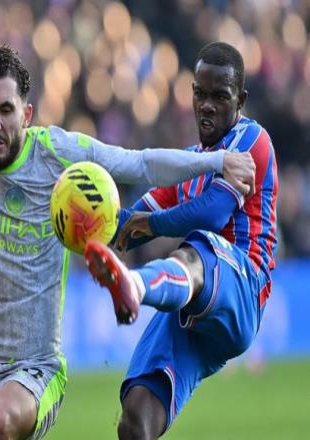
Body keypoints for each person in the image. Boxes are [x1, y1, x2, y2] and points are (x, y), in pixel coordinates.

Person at [0, 42, 255, 440]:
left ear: (27, 114)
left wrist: (217, 162)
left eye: (6, 110)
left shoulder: (58, 155)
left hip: (37, 369)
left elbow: (141, 165)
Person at [84, 41, 278, 439]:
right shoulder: (191, 162)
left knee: (195, 248)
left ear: (240, 100)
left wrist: (151, 226)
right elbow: (127, 225)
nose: (207, 106)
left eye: (219, 97)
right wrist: (79, 227)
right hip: (190, 310)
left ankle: (135, 286)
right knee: (135, 418)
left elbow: (212, 213)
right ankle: (136, 286)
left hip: (242, 288)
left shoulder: (250, 142)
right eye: (200, 94)